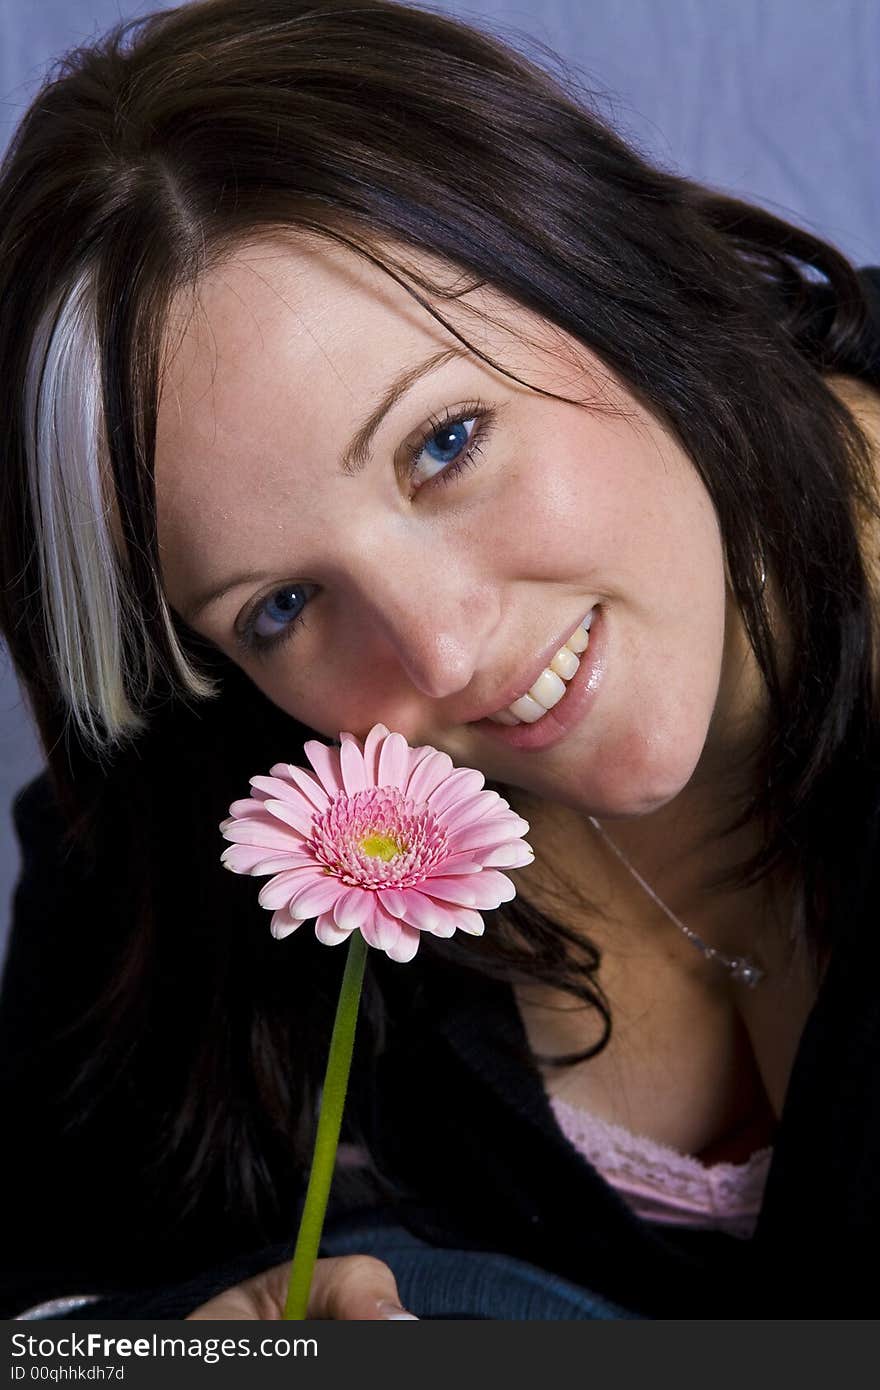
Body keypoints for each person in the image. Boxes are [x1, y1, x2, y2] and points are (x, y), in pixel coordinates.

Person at [1, 0, 879, 1322]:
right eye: (284, 602)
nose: (445, 649)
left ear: (596, 267)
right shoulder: (232, 781)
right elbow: (44, 1301)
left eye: (445, 442)